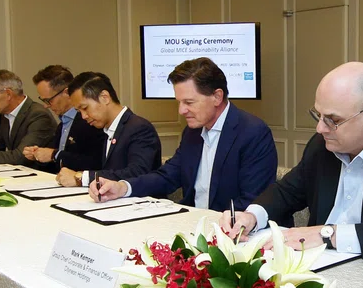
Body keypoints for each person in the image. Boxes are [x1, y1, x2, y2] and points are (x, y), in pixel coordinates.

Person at [221, 61, 363, 260]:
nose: (320, 128)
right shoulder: (322, 145)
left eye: (332, 120)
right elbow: (287, 192)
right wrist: (252, 216)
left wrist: (327, 234)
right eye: (317, 115)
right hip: (316, 263)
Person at [91, 58, 277, 210]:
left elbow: (253, 200)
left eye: (189, 102)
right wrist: (123, 187)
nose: (181, 110)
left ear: (217, 97)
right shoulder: (192, 132)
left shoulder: (253, 133)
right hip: (193, 223)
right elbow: (168, 176)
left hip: (235, 231)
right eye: (179, 102)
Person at [58, 71, 161, 187]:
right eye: (79, 111)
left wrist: (82, 178)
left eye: (85, 108)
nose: (83, 116)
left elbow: (137, 173)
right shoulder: (104, 130)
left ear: (104, 98)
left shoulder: (139, 128)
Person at [23, 65, 105, 173]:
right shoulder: (62, 125)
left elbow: (95, 162)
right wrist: (38, 155)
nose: (46, 106)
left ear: (66, 92)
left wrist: (54, 154)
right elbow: (56, 163)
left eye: (49, 100)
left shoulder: (90, 121)